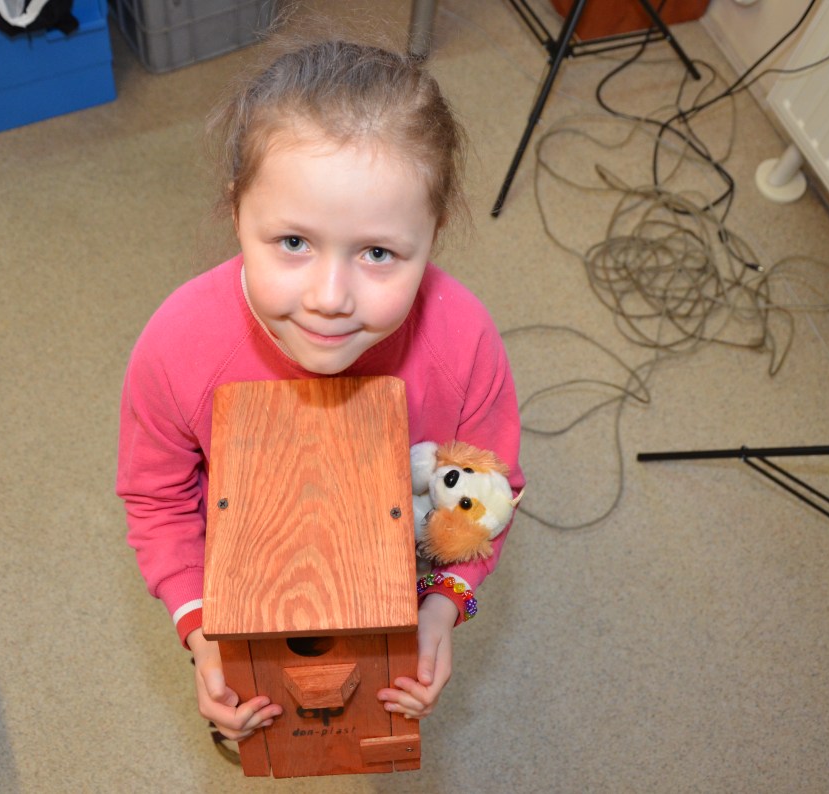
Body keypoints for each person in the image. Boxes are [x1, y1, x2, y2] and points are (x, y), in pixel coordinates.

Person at [116, 38, 524, 752]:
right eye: (293, 242)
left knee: (363, 705)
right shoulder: (176, 346)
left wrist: (441, 606)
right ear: (236, 210)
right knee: (260, 711)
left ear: (434, 234)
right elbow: (157, 498)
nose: (330, 298)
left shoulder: (462, 340)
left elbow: (491, 490)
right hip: (239, 589)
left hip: (395, 577)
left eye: (378, 253)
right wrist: (204, 632)